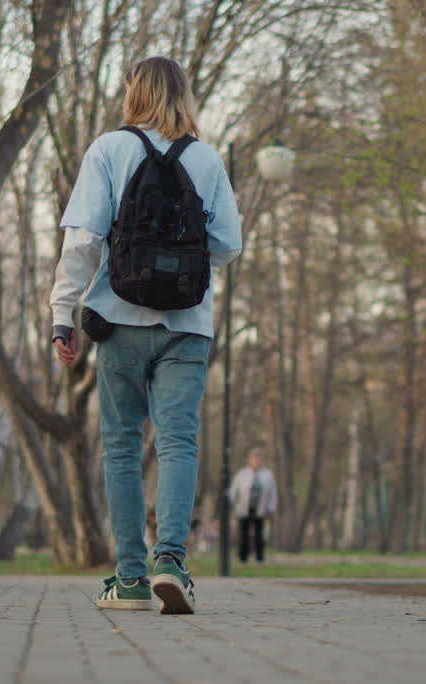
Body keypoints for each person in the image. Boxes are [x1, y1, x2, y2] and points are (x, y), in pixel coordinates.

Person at [50, 57, 241, 614]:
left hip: (119, 320)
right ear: (184, 94)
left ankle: (129, 579)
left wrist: (63, 313)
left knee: (122, 448)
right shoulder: (206, 158)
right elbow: (228, 246)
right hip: (187, 324)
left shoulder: (109, 149)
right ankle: (172, 562)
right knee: (179, 440)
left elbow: (83, 239)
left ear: (134, 93)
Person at [230, 449, 277, 563]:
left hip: (260, 509)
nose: (256, 461)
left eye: (258, 459)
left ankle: (259, 558)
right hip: (243, 509)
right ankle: (243, 558)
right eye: (254, 459)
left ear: (262, 461)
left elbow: (272, 493)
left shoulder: (268, 475)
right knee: (243, 534)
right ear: (249, 460)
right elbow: (234, 491)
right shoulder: (242, 474)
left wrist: (271, 508)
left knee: (259, 534)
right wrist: (234, 506)